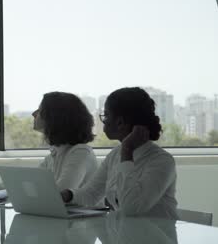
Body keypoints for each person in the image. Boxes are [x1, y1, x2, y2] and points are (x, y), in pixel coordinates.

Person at [60, 87, 179, 219]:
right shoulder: (115, 154)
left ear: (120, 122)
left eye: (106, 116)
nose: (103, 121)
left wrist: (127, 150)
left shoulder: (161, 161)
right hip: (127, 235)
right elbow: (91, 194)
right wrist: (67, 195)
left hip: (156, 236)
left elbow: (131, 207)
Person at [0, 91, 97, 194]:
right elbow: (21, 184)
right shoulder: (54, 155)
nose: (34, 114)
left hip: (81, 228)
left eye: (40, 110)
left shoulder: (80, 153)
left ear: (55, 117)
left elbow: (61, 192)